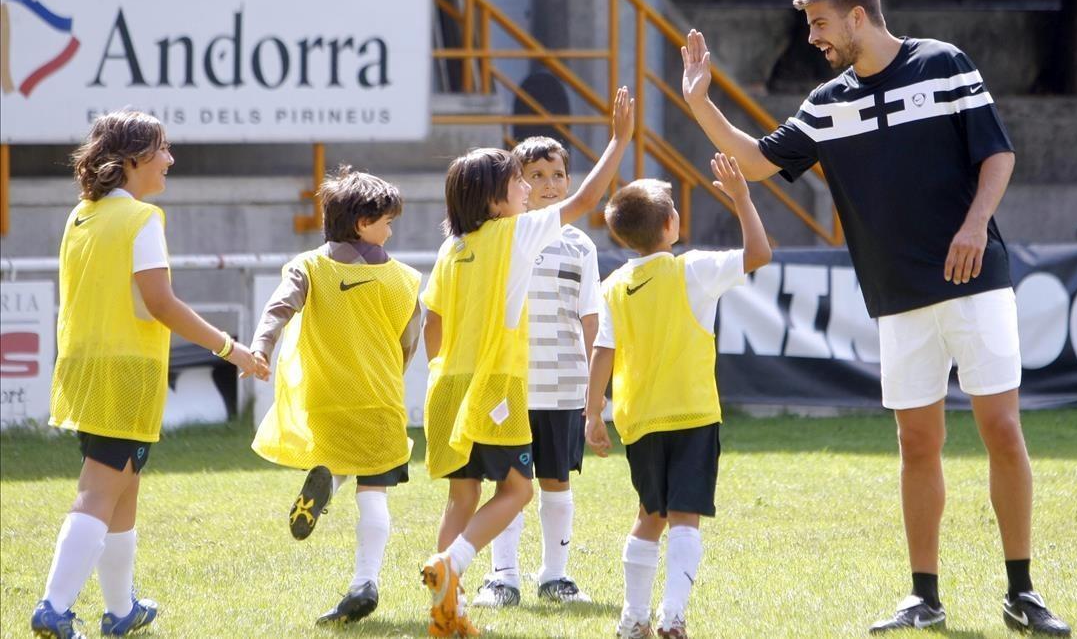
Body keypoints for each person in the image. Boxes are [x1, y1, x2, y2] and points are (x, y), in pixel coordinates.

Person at [679, 0, 1071, 636]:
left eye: (821, 24)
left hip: (976, 280)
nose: (813, 39)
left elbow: (997, 157)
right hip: (896, 296)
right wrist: (698, 102)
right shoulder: (828, 101)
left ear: (857, 17)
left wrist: (976, 225)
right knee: (917, 445)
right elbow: (756, 161)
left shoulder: (944, 63)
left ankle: (1022, 593)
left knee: (1002, 430)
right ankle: (924, 597)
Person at [31, 110, 262, 639]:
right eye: (162, 149)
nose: (170, 159)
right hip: (126, 371)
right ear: (133, 159)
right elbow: (161, 303)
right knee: (100, 490)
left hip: (84, 364)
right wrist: (230, 348)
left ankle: (120, 611)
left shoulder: (81, 216)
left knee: (123, 490)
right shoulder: (142, 219)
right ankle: (54, 606)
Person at [419, 87, 634, 637]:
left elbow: (433, 324)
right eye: (519, 181)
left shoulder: (452, 247)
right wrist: (619, 141)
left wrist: (444, 369)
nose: (529, 188)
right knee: (518, 490)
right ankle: (457, 565)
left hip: (447, 385)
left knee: (462, 494)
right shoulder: (516, 233)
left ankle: (449, 606)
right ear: (496, 199)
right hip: (497, 385)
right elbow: (584, 202)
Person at [583, 153, 772, 639]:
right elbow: (759, 253)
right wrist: (742, 197)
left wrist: (593, 414)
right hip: (691, 413)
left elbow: (603, 351)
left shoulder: (614, 285)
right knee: (685, 517)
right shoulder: (692, 270)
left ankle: (633, 619)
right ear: (671, 224)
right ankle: (672, 616)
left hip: (639, 418)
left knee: (649, 515)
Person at [249, 166, 422, 625]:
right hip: (380, 398)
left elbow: (278, 308)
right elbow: (409, 343)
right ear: (364, 222)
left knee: (339, 456)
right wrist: (390, 372)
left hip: (326, 398)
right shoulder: (405, 279)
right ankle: (365, 582)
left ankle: (326, 486)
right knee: (376, 493)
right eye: (388, 220)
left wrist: (260, 348)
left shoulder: (309, 266)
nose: (392, 227)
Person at [471, 137, 600, 608]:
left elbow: (591, 319)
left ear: (570, 180)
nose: (549, 185)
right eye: (536, 175)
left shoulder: (581, 245)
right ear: (516, 183)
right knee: (509, 484)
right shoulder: (499, 238)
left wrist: (596, 392)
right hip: (509, 385)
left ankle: (555, 576)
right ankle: (502, 578)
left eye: (558, 175)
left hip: (563, 387)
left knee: (556, 481)